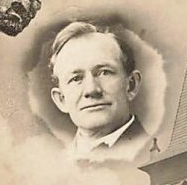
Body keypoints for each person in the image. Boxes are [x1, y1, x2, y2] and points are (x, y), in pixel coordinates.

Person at [49, 21, 149, 160]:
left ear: (131, 85)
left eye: (104, 72)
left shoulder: (153, 153)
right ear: (61, 99)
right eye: (76, 78)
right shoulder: (52, 167)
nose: (92, 89)